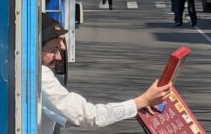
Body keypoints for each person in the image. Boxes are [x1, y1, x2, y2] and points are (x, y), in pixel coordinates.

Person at [41, 14, 172, 134]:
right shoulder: (40, 75)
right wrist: (142, 101)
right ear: (35, 47)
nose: (58, 57)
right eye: (53, 50)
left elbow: (67, 116)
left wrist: (134, 108)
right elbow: (88, 117)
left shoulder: (32, 75)